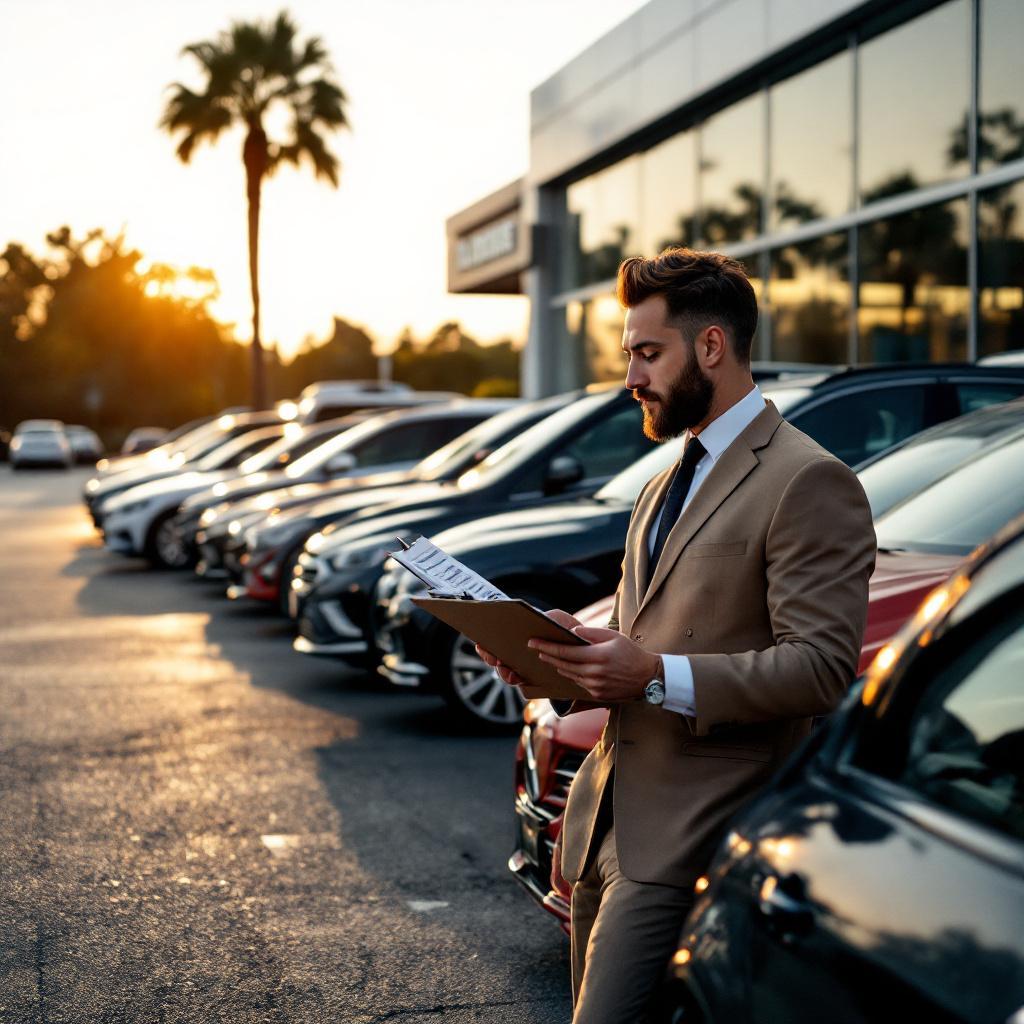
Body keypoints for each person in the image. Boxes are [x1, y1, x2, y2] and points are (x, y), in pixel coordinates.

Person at [477, 248, 876, 1023]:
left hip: (694, 829)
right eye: (630, 353)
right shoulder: (664, 480)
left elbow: (822, 668)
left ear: (711, 347)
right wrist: (543, 657)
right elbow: (631, 641)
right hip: (598, 824)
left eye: (646, 352)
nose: (631, 375)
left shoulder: (808, 479)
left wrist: (654, 674)